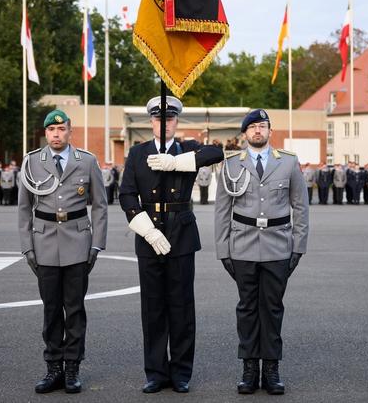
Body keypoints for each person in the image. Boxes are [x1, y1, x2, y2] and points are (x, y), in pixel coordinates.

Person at [118, 95, 224, 394]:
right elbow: (126, 195)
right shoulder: (138, 154)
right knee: (153, 308)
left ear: (176, 122)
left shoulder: (187, 148)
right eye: (158, 119)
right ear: (150, 122)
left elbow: (216, 154)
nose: (164, 124)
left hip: (180, 232)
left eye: (170, 119)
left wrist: (177, 161)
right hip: (148, 231)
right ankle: (155, 372)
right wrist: (148, 230)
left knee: (181, 306)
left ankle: (181, 371)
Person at [214, 109, 309, 395]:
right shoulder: (231, 164)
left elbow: (301, 207)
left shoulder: (288, 163)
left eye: (262, 126)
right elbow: (222, 210)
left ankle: (271, 368)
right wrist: (223, 250)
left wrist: (299, 247)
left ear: (270, 131)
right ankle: (249, 368)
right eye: (252, 127)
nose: (257, 131)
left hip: (278, 247)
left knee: (273, 308)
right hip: (242, 246)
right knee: (246, 309)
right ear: (244, 134)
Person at [18, 109, 107, 394]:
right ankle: (53, 367)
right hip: (43, 244)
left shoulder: (87, 161)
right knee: (52, 309)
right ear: (45, 133)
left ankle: (72, 369)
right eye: (51, 130)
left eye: (62, 130)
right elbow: (23, 209)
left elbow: (100, 206)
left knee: (75, 309)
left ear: (70, 131)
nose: (56, 135)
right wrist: (27, 247)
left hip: (79, 243)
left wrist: (96, 244)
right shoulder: (32, 162)